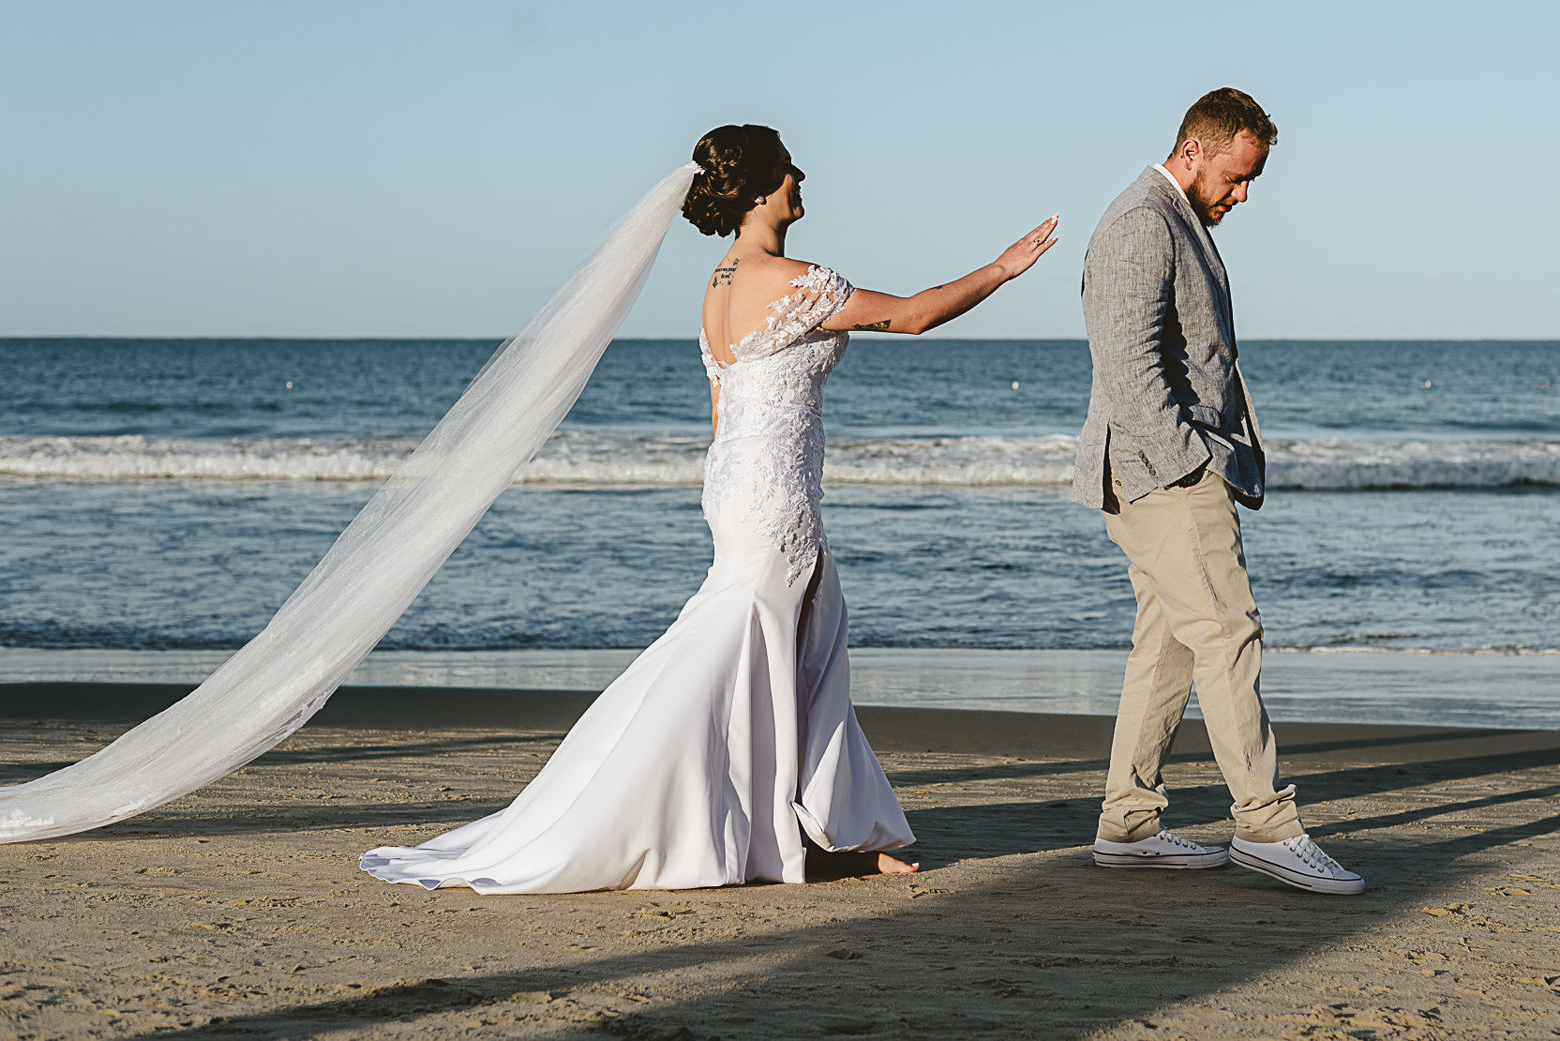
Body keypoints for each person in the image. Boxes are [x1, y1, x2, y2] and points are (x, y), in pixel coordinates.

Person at [360, 125, 1058, 892]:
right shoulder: (796, 281)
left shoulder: (719, 285)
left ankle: (811, 830)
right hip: (772, 490)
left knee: (785, 647)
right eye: (787, 166)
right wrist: (1002, 268)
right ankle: (719, 819)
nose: (801, 175)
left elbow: (723, 407)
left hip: (736, 481)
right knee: (754, 650)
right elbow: (917, 315)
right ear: (760, 188)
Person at [1072, 88, 1364, 894]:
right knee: (1230, 632)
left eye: (1252, 182)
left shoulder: (1176, 219)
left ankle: (1127, 824)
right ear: (1192, 150)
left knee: (1167, 644)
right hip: (1164, 474)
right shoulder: (1141, 225)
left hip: (1162, 469)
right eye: (1235, 178)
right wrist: (1189, 466)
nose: (1241, 195)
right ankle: (1266, 827)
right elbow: (1129, 373)